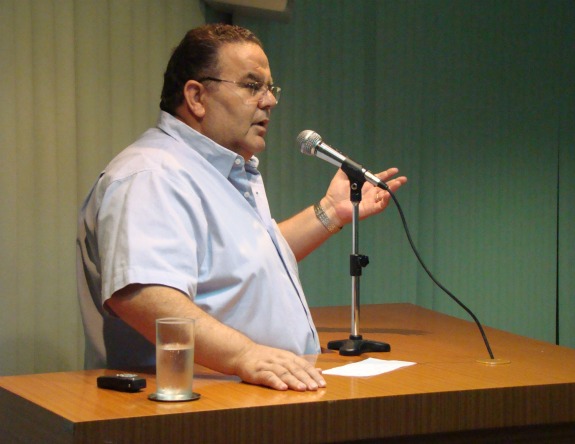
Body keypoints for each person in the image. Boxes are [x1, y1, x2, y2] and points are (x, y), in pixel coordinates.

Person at [76, 23, 407, 392]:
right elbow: (143, 296)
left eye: (270, 88)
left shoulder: (219, 169)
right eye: (252, 86)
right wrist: (245, 355)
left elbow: (244, 262)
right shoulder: (152, 175)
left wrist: (330, 211)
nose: (270, 101)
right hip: (194, 404)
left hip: (248, 395)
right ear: (196, 97)